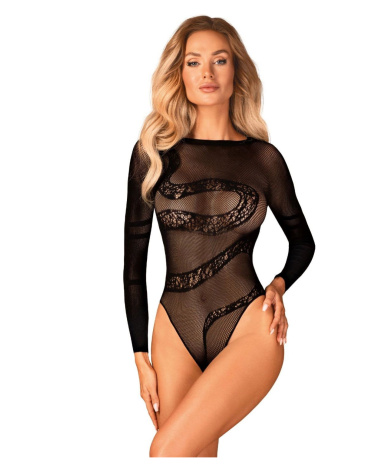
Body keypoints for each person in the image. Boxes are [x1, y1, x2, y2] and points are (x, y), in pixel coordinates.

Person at [123, 15, 316, 458]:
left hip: (249, 324)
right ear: (179, 73)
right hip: (175, 329)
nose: (206, 72)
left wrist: (279, 284)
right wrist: (139, 356)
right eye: (193, 62)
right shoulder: (152, 155)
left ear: (236, 72)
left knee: (166, 452)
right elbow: (133, 267)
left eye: (219, 60)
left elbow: (303, 242)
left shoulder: (264, 159)